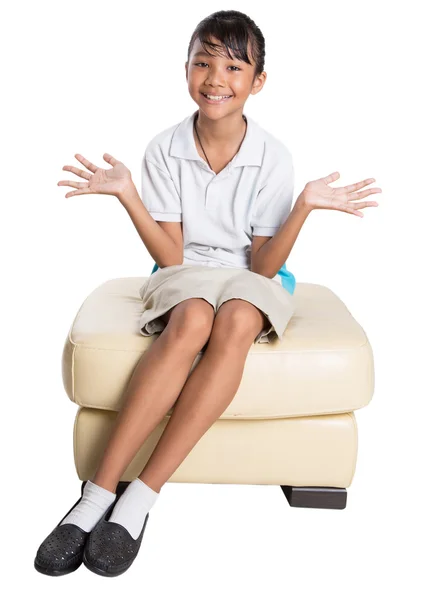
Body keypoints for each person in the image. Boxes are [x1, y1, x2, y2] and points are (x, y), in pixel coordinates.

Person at [34, 9, 381, 578]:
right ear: (186, 70)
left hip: (256, 274)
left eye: (233, 65)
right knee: (193, 319)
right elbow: (173, 258)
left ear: (257, 81)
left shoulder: (273, 156)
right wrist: (128, 196)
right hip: (184, 270)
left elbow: (266, 265)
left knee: (239, 318)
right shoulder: (164, 147)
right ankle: (95, 496)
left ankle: (140, 498)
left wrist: (304, 208)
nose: (215, 77)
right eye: (203, 62)